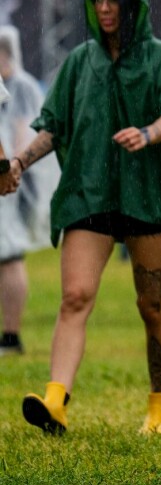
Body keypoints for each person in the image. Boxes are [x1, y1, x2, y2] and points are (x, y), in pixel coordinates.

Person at [3, 0, 161, 435]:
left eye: (112, 0)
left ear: (133, 5)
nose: (103, 8)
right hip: (90, 193)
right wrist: (17, 162)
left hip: (149, 198)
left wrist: (149, 133)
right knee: (74, 296)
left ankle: (159, 408)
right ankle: (55, 402)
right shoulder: (81, 62)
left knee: (152, 305)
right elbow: (52, 127)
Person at [0, 26, 58, 355]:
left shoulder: (19, 86)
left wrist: (11, 167)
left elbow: (23, 132)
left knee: (9, 254)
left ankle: (11, 334)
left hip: (5, 181)